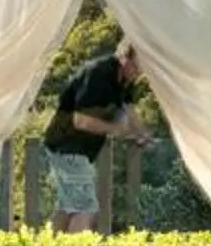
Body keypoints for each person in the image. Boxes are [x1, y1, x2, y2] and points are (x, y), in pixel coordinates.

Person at [43, 40, 146, 232]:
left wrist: (142, 134)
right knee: (85, 208)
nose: (139, 73)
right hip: (68, 146)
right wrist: (115, 129)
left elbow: (129, 108)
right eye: (138, 66)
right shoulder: (98, 74)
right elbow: (80, 121)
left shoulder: (124, 80)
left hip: (73, 149)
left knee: (68, 206)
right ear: (124, 58)